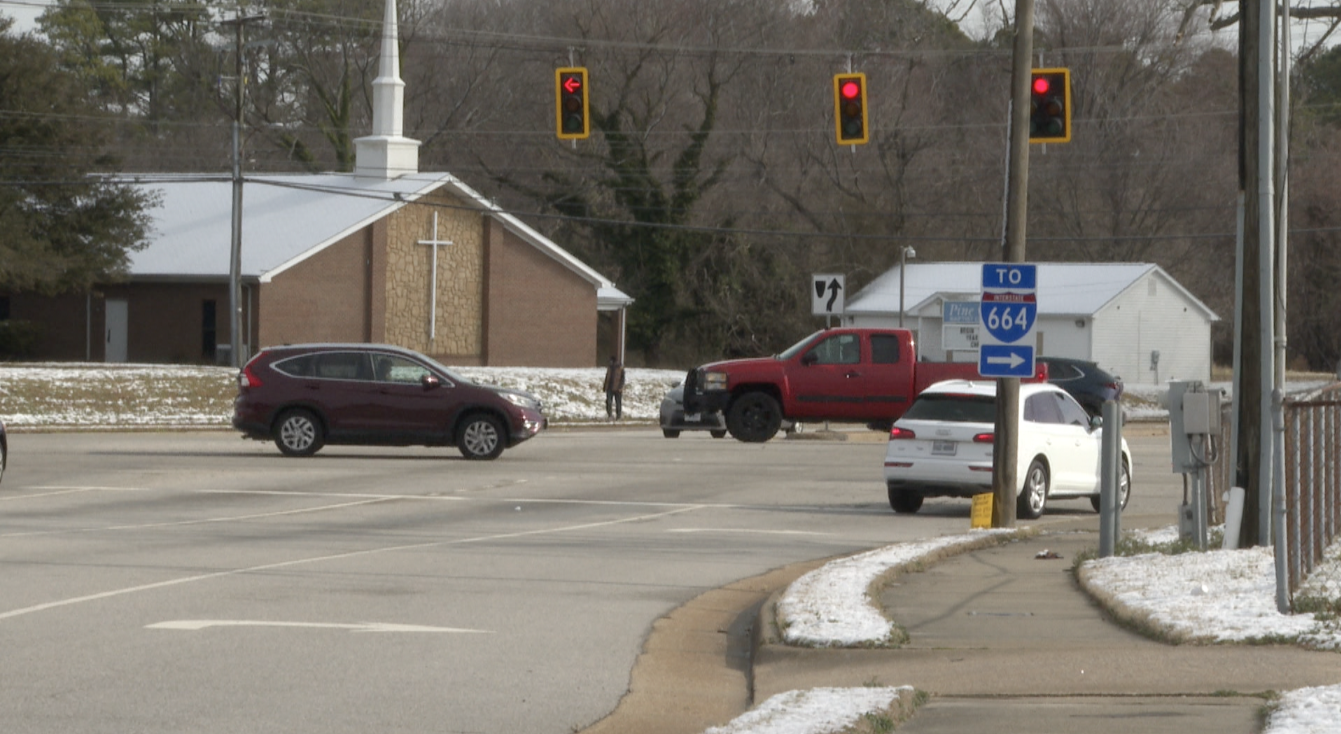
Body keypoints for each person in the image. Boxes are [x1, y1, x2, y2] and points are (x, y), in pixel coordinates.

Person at [603, 356, 626, 420]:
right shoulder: (609, 368)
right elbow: (607, 378)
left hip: (618, 388)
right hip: (609, 388)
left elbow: (623, 378)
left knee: (618, 402)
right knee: (609, 402)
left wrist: (620, 386)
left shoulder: (620, 368)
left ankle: (618, 416)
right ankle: (610, 415)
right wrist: (605, 387)